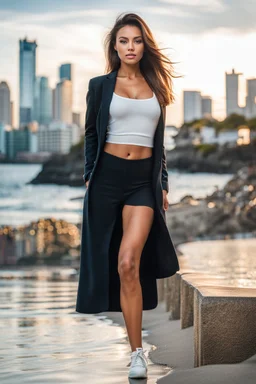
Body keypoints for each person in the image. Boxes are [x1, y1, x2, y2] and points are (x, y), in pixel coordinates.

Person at [76, 12, 180, 379]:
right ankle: (136, 351)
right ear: (115, 46)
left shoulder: (156, 85)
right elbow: (91, 133)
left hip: (142, 182)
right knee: (111, 263)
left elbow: (159, 142)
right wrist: (90, 174)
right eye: (124, 41)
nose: (130, 47)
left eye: (136, 40)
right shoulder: (100, 85)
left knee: (128, 262)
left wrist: (162, 182)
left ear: (144, 44)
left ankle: (139, 355)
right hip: (106, 178)